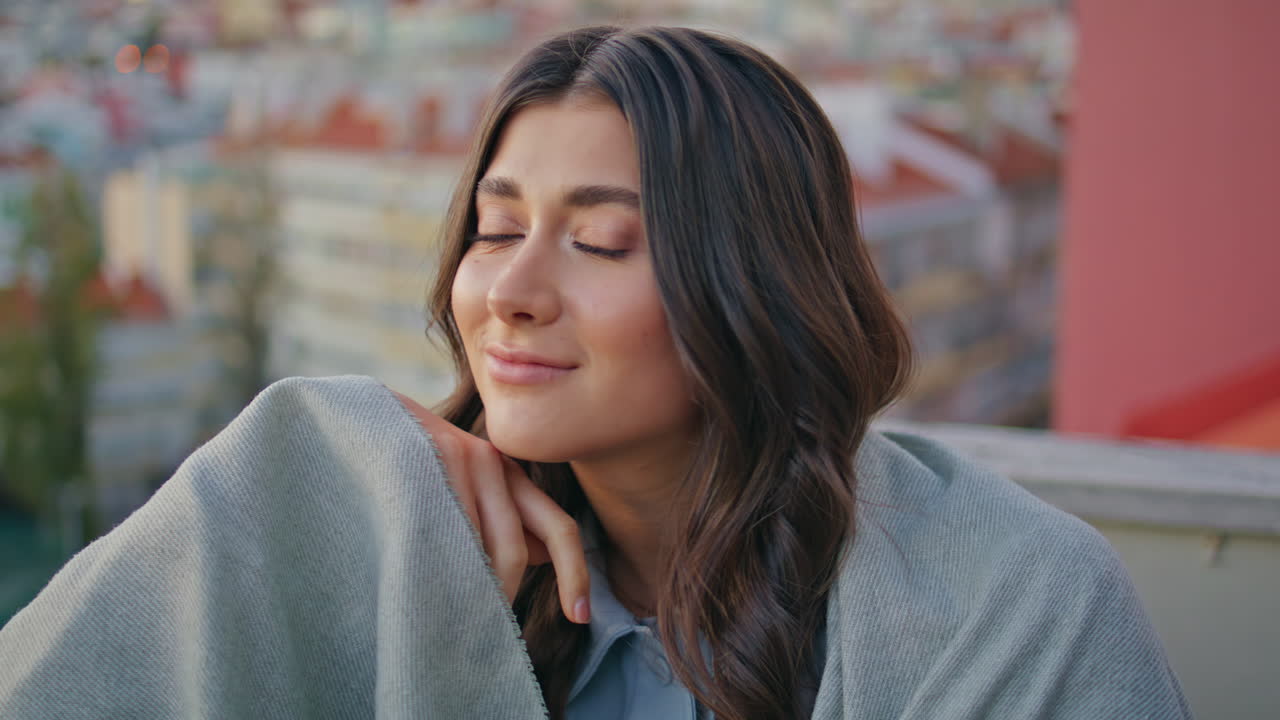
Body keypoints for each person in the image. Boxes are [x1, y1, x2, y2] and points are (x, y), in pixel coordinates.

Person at [0, 25, 1191, 720]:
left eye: (600, 238)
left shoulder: (1017, 605)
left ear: (753, 280)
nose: (509, 287)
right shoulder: (403, 542)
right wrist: (311, 448)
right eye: (492, 225)